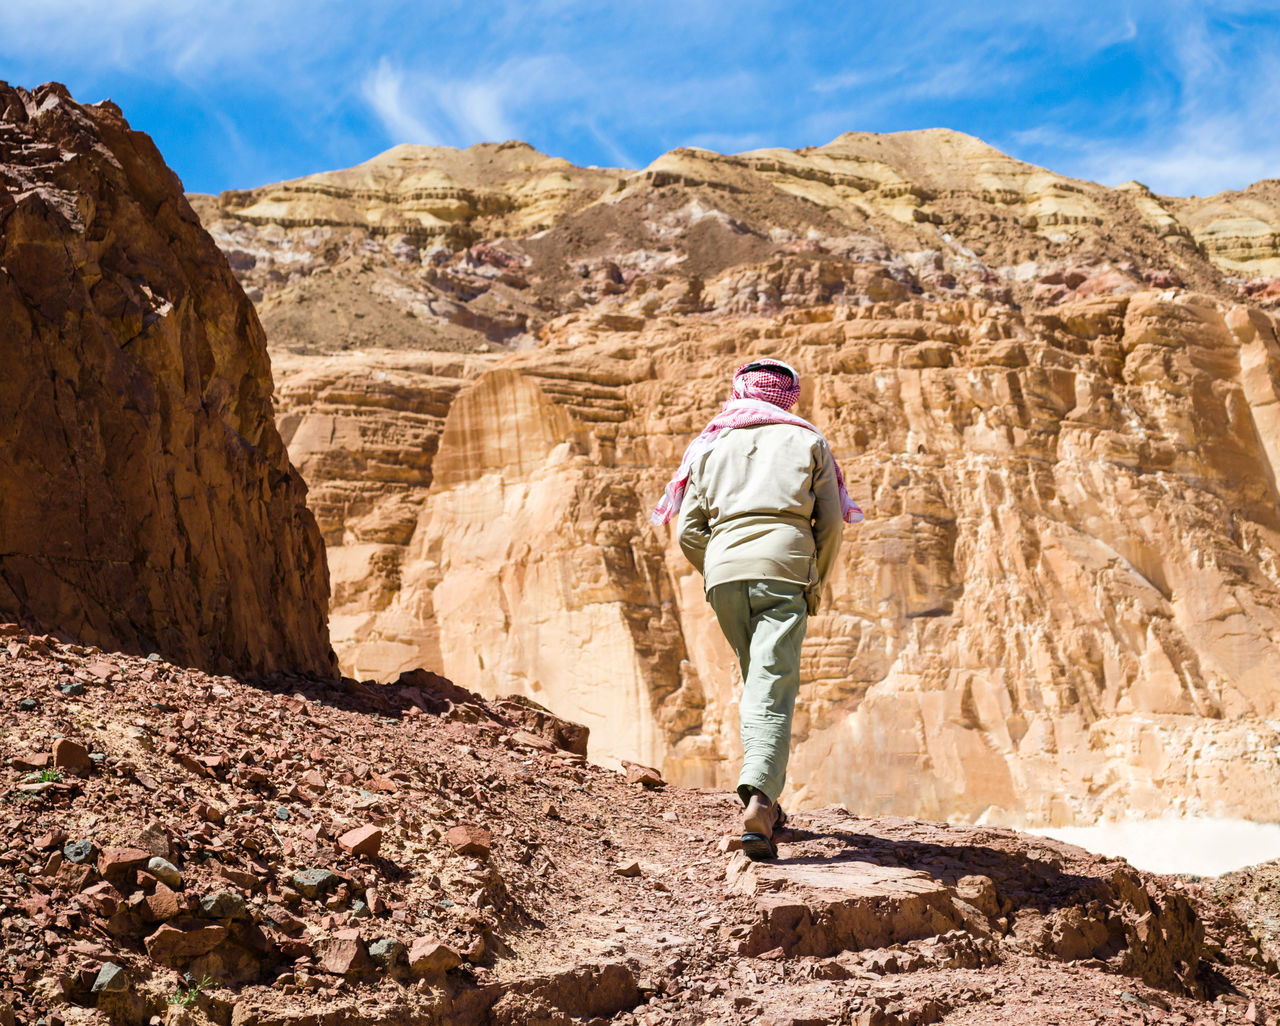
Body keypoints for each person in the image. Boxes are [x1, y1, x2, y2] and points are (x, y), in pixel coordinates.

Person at [652, 358, 862, 861]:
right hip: (785, 567)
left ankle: (767, 799)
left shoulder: (710, 444)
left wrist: (719, 566)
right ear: (787, 395)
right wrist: (815, 580)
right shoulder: (808, 441)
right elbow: (830, 524)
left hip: (723, 573)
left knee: (757, 677)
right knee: (774, 680)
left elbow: (687, 531)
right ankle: (759, 800)